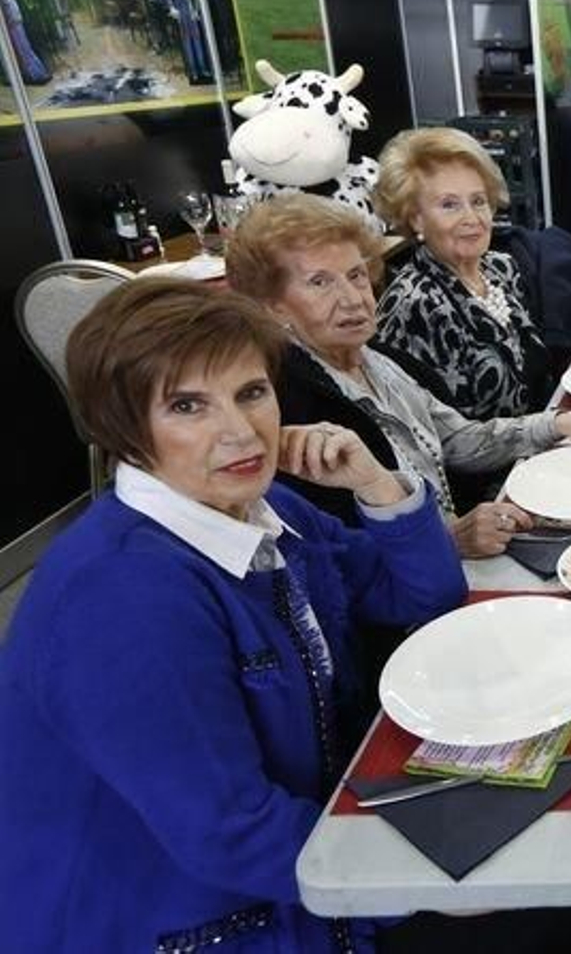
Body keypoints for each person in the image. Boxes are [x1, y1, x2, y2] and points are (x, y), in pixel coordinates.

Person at [0, 279, 466, 951]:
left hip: (307, 837)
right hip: (192, 914)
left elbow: (424, 595)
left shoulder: (262, 508)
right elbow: (230, 833)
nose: (241, 431)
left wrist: (376, 482)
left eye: (251, 392)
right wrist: (422, 878)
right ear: (124, 429)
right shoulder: (121, 597)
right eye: (188, 405)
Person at [226, 194, 571, 557]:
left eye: (356, 275)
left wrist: (557, 423)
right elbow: (328, 554)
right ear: (272, 306)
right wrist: (448, 539)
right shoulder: (287, 404)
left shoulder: (378, 360)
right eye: (319, 282)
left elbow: (457, 439)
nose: (352, 299)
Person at [371, 127, 555, 422]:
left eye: (478, 201)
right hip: (491, 464)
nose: (472, 218)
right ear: (415, 218)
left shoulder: (500, 268)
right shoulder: (413, 304)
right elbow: (446, 442)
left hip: (541, 439)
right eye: (449, 205)